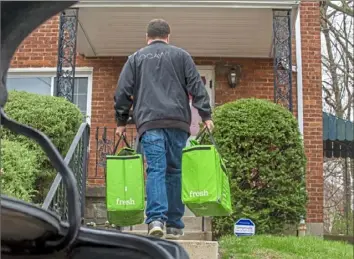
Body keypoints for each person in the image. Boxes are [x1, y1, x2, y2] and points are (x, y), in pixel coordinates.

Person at [114, 18, 213, 239]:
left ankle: (156, 219)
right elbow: (197, 86)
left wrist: (121, 121)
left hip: (150, 123)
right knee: (174, 171)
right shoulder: (181, 56)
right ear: (168, 37)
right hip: (178, 123)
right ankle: (175, 225)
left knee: (156, 169)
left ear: (147, 37)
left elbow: (122, 92)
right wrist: (205, 114)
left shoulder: (135, 59)